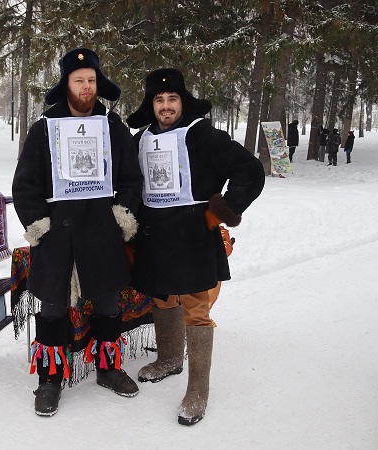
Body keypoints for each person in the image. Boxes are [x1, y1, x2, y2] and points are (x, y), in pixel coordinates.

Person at [126, 68, 265, 426]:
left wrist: (220, 211)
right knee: (162, 298)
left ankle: (198, 389)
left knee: (196, 309)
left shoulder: (203, 135)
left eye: (172, 99)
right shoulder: (140, 139)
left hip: (193, 234)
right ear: (151, 104)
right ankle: (170, 359)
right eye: (159, 100)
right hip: (154, 233)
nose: (166, 106)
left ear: (182, 102)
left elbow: (249, 169)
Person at [12, 47, 143, 417]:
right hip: (58, 234)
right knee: (53, 310)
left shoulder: (114, 127)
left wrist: (121, 214)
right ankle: (50, 379)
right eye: (79, 80)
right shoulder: (43, 129)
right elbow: (25, 185)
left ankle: (108, 369)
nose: (86, 86)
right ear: (66, 84)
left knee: (107, 305)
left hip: (102, 231)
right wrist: (39, 223)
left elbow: (132, 179)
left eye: (91, 80)